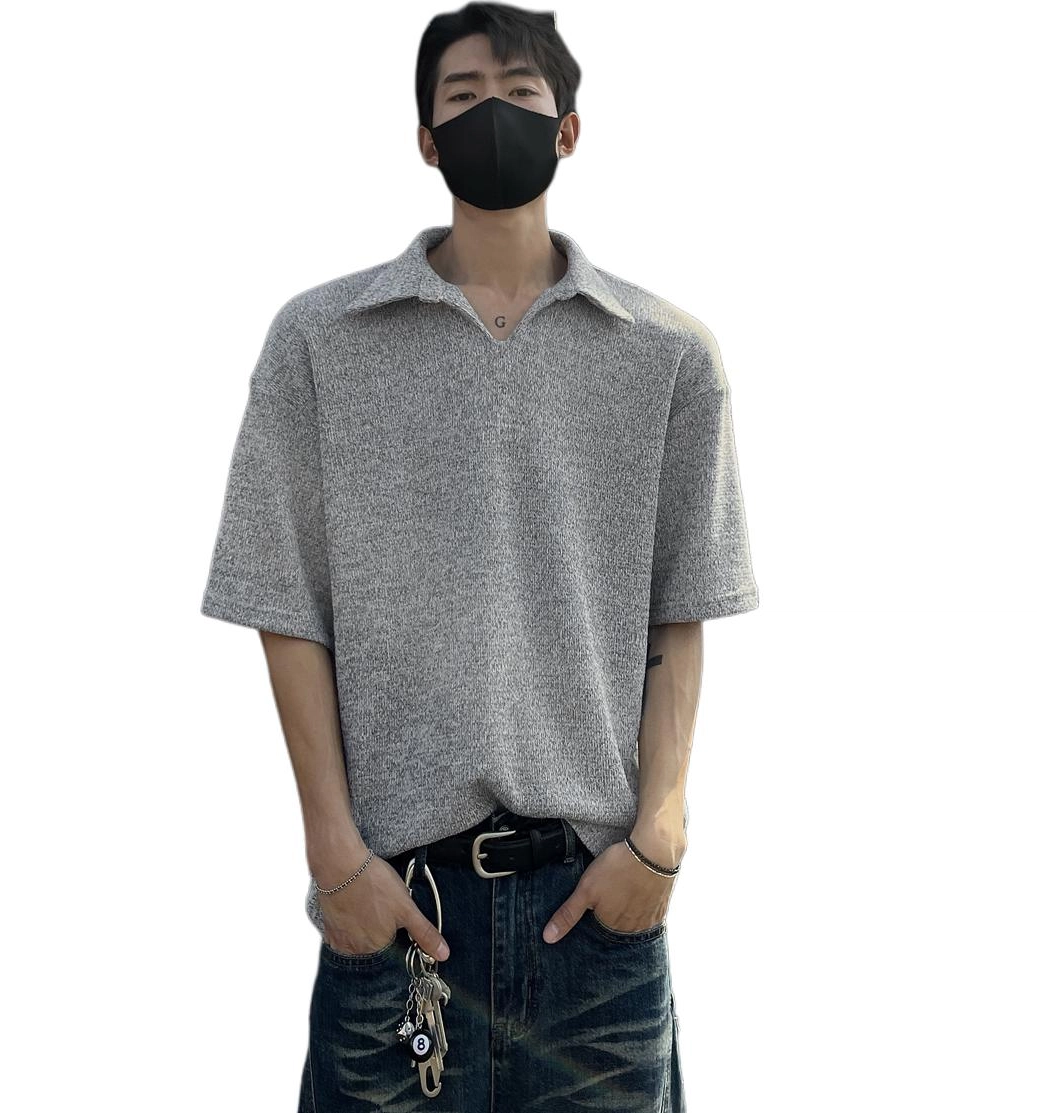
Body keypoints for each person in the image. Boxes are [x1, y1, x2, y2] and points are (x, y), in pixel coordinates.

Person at [200, 3, 758, 1109]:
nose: (490, 113)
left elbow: (680, 607)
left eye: (519, 93)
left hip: (595, 917)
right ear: (424, 139)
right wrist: (333, 857)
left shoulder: (667, 355)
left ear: (569, 128)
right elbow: (283, 601)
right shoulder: (319, 341)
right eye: (461, 97)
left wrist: (660, 833)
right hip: (398, 913)